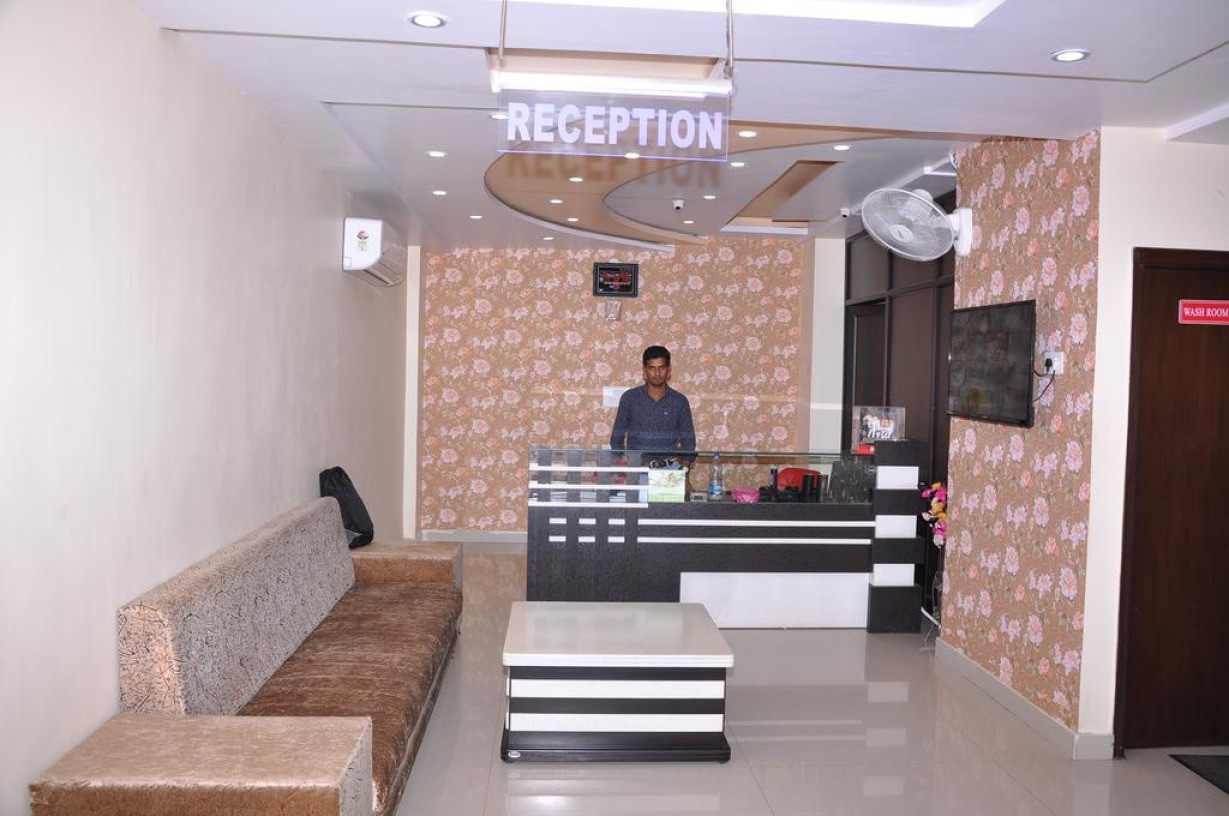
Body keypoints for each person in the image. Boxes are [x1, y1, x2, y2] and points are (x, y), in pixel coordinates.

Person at [609, 345, 696, 454]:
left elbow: (689, 442)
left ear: (669, 370)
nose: (657, 373)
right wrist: (620, 461)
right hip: (636, 463)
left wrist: (686, 462)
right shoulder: (630, 398)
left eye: (661, 368)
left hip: (669, 463)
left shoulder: (680, 401)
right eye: (652, 368)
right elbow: (617, 438)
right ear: (645, 370)